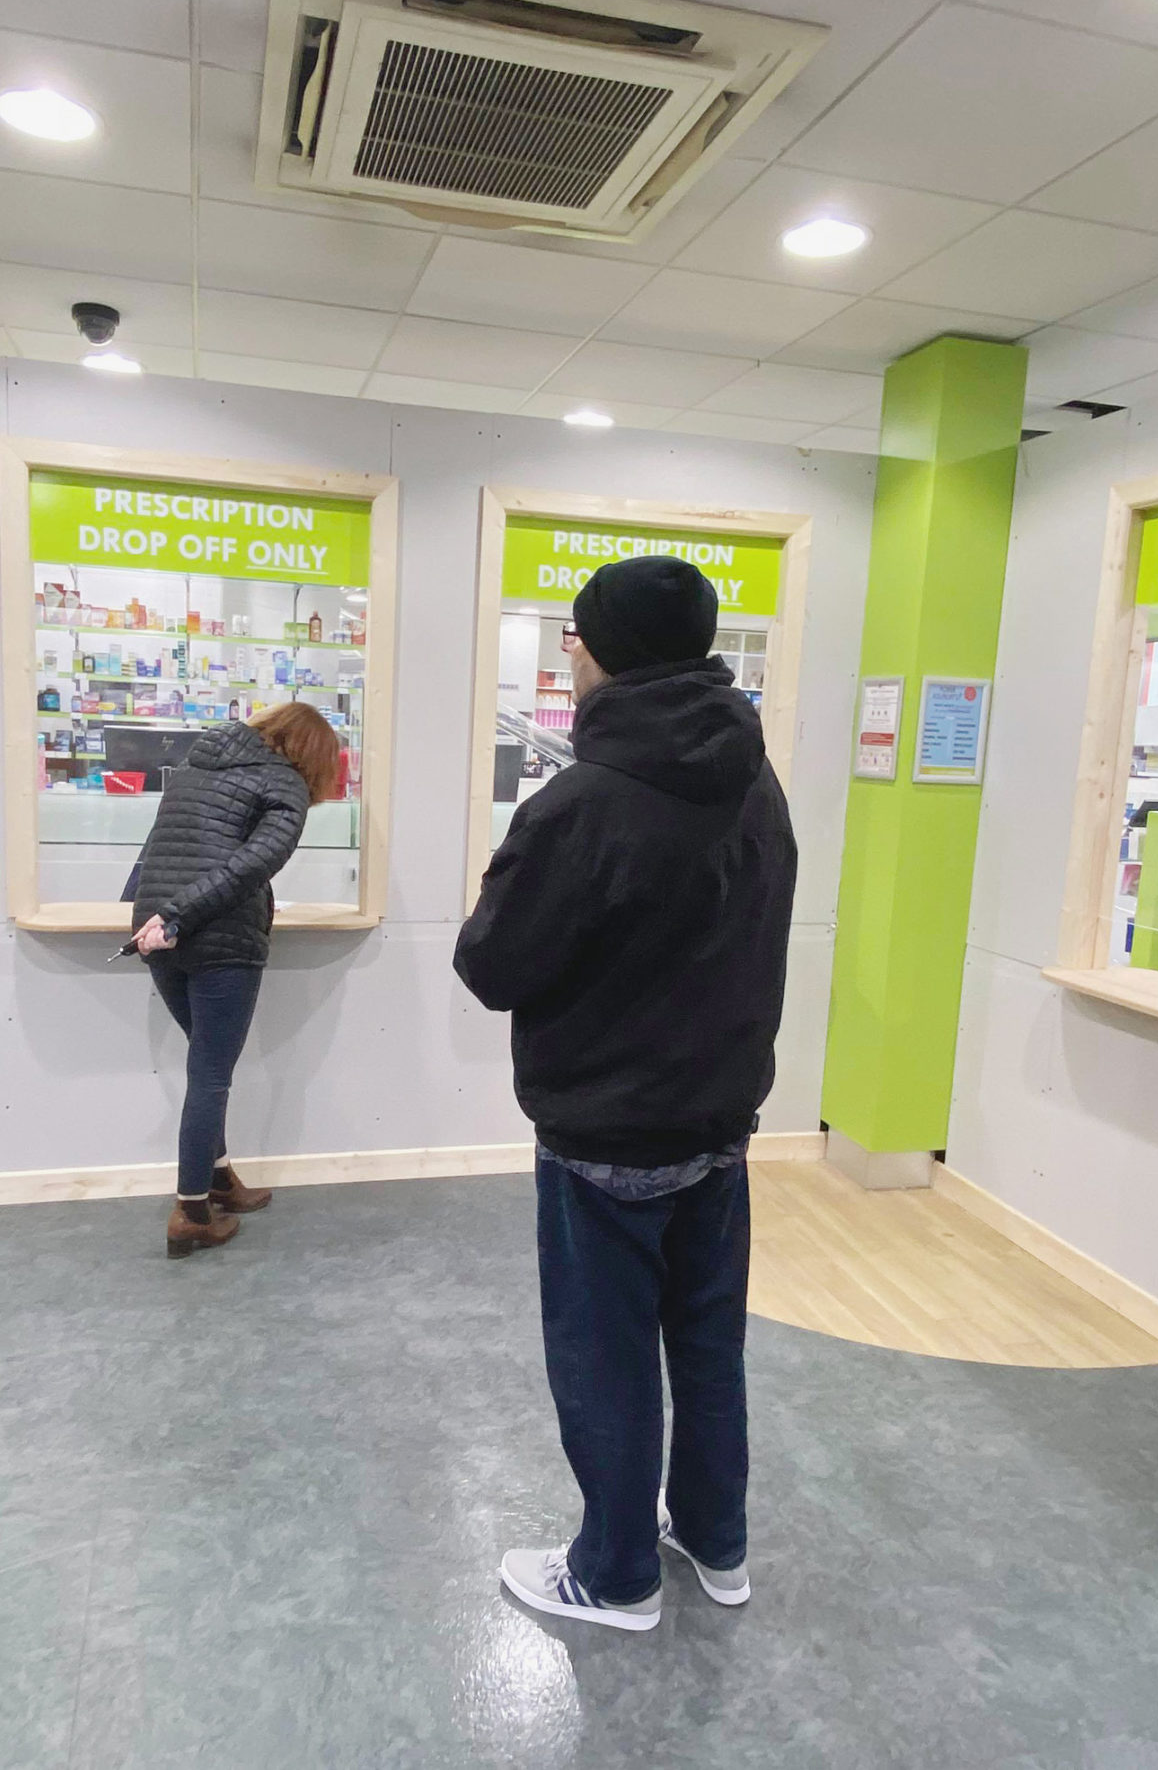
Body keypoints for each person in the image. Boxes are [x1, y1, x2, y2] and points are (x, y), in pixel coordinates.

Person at [454, 555, 797, 1632]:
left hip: (604, 1125)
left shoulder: (579, 804)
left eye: (573, 633)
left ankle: (613, 1572)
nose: (565, 649)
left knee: (604, 1356)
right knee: (704, 1340)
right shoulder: (755, 776)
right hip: (720, 1118)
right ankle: (714, 1535)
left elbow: (491, 965)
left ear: (606, 651)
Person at [126, 701, 346, 1260]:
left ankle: (220, 1178)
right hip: (217, 937)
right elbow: (253, 866)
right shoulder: (286, 788)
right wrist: (181, 916)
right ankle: (192, 1210)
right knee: (210, 1076)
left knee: (204, 1063)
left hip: (158, 932)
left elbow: (154, 847)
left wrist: (157, 913)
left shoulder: (198, 766)